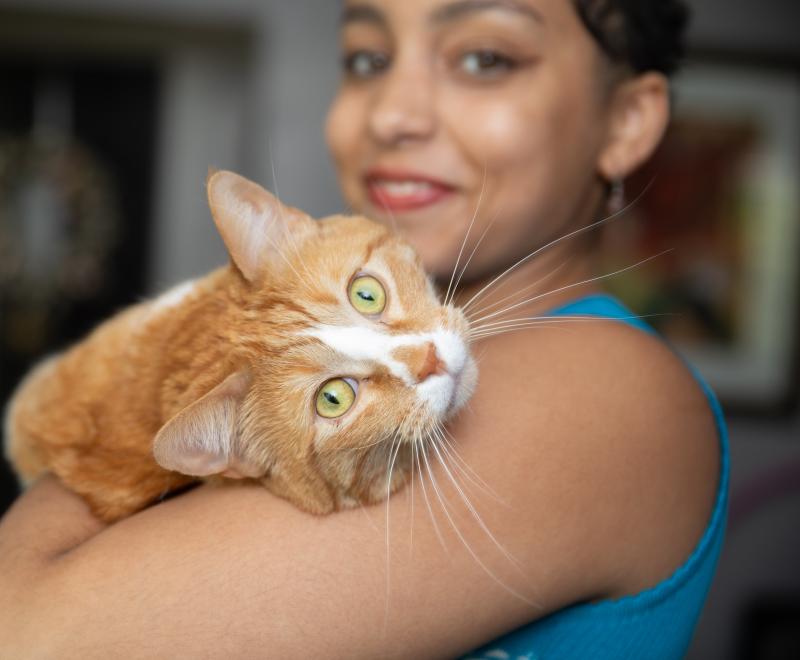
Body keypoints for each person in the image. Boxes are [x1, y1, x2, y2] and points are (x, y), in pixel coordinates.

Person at [0, 1, 727, 657]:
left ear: (626, 122)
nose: (389, 114)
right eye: (366, 59)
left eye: (484, 58)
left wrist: (140, 370)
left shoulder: (606, 389)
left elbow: (25, 631)